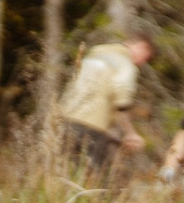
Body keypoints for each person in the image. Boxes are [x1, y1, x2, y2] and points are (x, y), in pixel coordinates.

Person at [56, 35, 153, 176]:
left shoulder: (95, 53)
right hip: (93, 125)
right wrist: (130, 133)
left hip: (66, 118)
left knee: (60, 169)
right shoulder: (126, 64)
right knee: (91, 176)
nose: (143, 62)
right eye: (146, 57)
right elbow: (122, 99)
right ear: (141, 46)